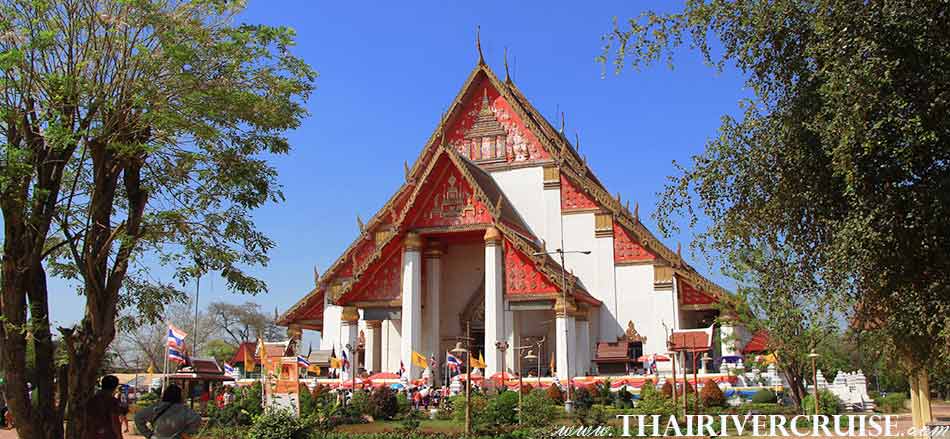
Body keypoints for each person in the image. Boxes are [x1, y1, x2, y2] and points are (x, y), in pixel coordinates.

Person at [134, 384, 201, 439]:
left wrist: (148, 435)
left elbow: (138, 417)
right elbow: (197, 419)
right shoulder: (185, 410)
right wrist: (186, 432)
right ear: (179, 396)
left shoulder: (156, 407)